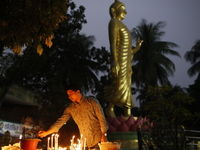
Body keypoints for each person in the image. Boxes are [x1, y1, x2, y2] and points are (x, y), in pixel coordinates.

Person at [37, 84, 108, 149]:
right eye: (68, 95)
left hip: (98, 138)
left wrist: (104, 135)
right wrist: (46, 133)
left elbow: (101, 118)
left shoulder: (91, 102)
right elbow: (60, 121)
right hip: (85, 141)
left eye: (71, 94)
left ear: (78, 91)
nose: (69, 97)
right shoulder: (71, 108)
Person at [104, 0, 143, 117]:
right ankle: (110, 108)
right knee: (118, 83)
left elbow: (127, 51)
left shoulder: (122, 25)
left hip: (126, 61)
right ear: (114, 10)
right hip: (119, 60)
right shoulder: (114, 22)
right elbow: (113, 44)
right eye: (122, 8)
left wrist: (137, 48)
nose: (125, 12)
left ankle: (128, 113)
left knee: (127, 85)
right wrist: (114, 60)